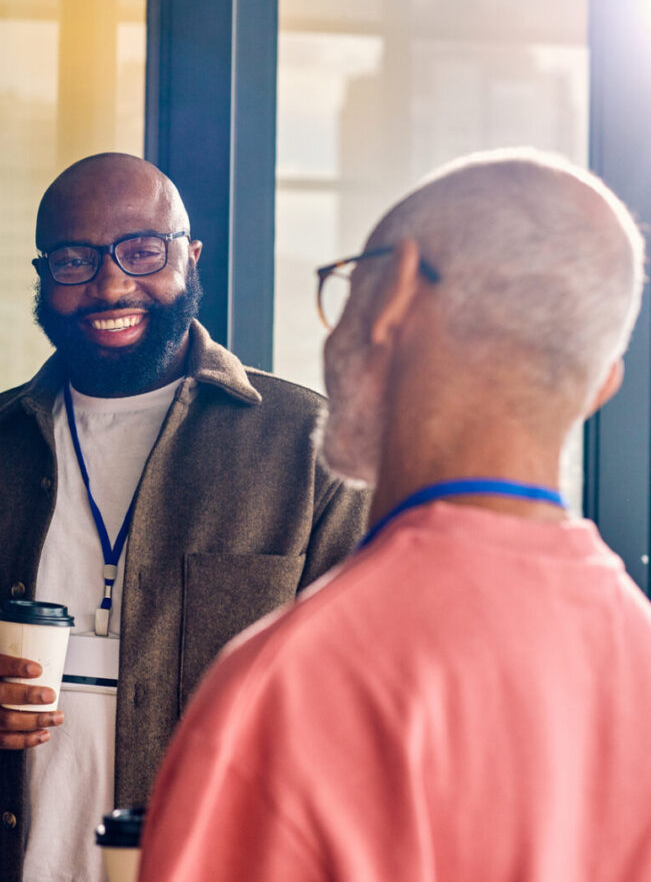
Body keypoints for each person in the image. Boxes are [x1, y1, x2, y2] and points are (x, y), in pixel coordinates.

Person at [139, 150, 651, 881]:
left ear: (393, 292)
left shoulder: (290, 689)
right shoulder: (638, 661)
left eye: (347, 282)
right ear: (601, 385)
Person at [0, 153, 370, 882]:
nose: (108, 284)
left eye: (141, 251)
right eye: (74, 259)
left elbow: (363, 710)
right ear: (41, 277)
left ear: (189, 258)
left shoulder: (306, 450)